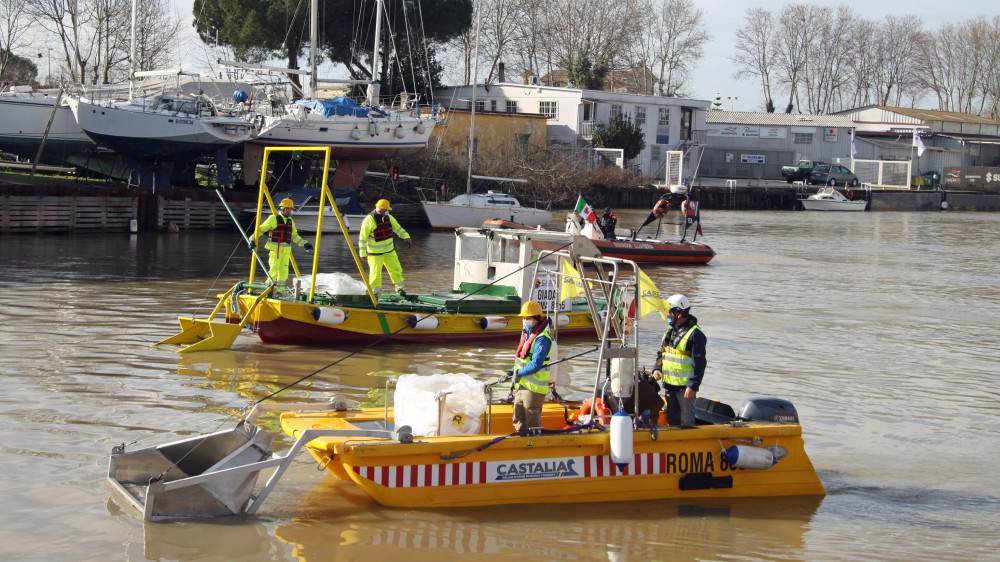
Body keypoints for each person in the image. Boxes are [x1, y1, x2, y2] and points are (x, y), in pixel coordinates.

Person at [650, 294, 707, 428]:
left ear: (679, 313)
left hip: (684, 389)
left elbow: (699, 364)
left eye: (669, 312)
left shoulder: (695, 335)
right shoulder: (670, 331)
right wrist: (657, 369)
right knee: (672, 420)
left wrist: (693, 386)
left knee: (686, 423)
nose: (667, 315)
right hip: (669, 385)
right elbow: (662, 353)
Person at [502, 301, 554, 435]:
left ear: (536, 318)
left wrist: (518, 373)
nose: (525, 321)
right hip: (523, 384)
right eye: (523, 318)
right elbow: (522, 360)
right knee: (518, 417)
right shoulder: (528, 335)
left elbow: (535, 365)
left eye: (528, 318)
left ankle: (535, 444)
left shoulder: (542, 339)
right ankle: (522, 440)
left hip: (534, 388)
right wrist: (510, 372)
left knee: (532, 418)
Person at [251, 197, 312, 294]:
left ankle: (280, 292)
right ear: (284, 208)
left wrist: (304, 243)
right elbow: (261, 230)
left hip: (286, 252)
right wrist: (252, 239)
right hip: (276, 250)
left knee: (283, 273)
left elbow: (295, 236)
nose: (291, 211)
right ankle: (268, 291)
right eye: (290, 209)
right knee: (274, 269)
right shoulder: (273, 219)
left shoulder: (290, 221)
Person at [358, 198, 412, 294]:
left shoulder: (389, 218)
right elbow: (363, 238)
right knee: (375, 274)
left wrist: (406, 237)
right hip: (375, 254)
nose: (387, 211)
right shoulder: (368, 220)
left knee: (396, 270)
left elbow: (398, 228)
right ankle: (374, 292)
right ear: (381, 209)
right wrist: (362, 253)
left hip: (389, 252)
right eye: (386, 209)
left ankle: (399, 288)